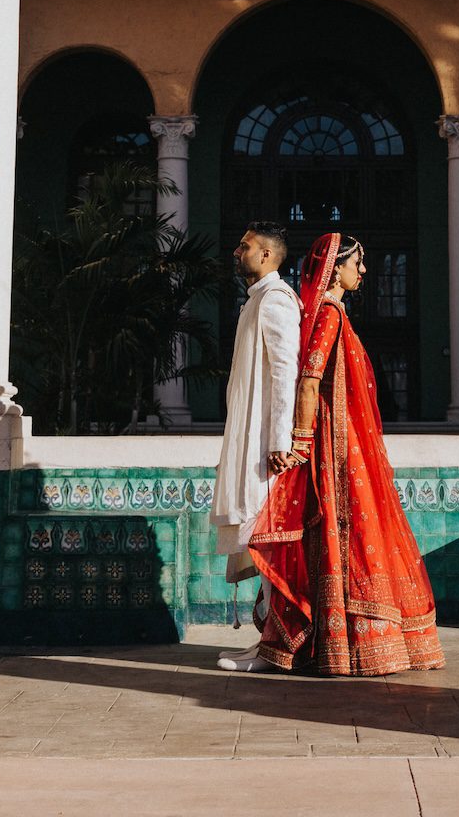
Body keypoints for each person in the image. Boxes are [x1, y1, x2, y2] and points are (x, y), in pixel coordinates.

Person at [244, 232, 444, 676]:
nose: (365, 271)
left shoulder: (328, 313)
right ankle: (338, 643)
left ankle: (332, 642)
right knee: (343, 535)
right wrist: (299, 440)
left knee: (340, 537)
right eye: (359, 263)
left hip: (343, 444)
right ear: (336, 269)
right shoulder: (331, 315)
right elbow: (310, 381)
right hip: (334, 448)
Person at [211, 224, 298, 671]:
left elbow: (287, 370)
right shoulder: (257, 301)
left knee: (265, 540)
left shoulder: (277, 300)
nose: (236, 251)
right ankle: (266, 642)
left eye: (244, 245)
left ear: (266, 255)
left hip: (266, 444)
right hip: (250, 435)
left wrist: (280, 440)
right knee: (256, 537)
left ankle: (275, 648)